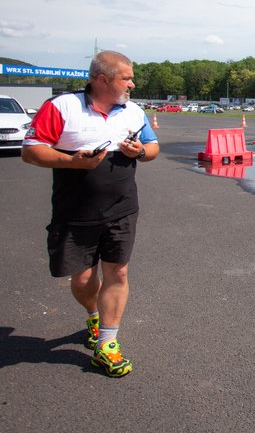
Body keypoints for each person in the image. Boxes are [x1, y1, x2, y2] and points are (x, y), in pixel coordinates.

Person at [21, 50, 158, 377]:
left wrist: (140, 151)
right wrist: (72, 161)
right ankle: (94, 314)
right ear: (102, 79)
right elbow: (31, 151)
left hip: (122, 209)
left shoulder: (133, 111)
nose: (132, 84)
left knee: (118, 272)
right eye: (126, 78)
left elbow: (152, 148)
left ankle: (107, 343)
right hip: (76, 212)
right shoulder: (62, 107)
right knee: (83, 279)